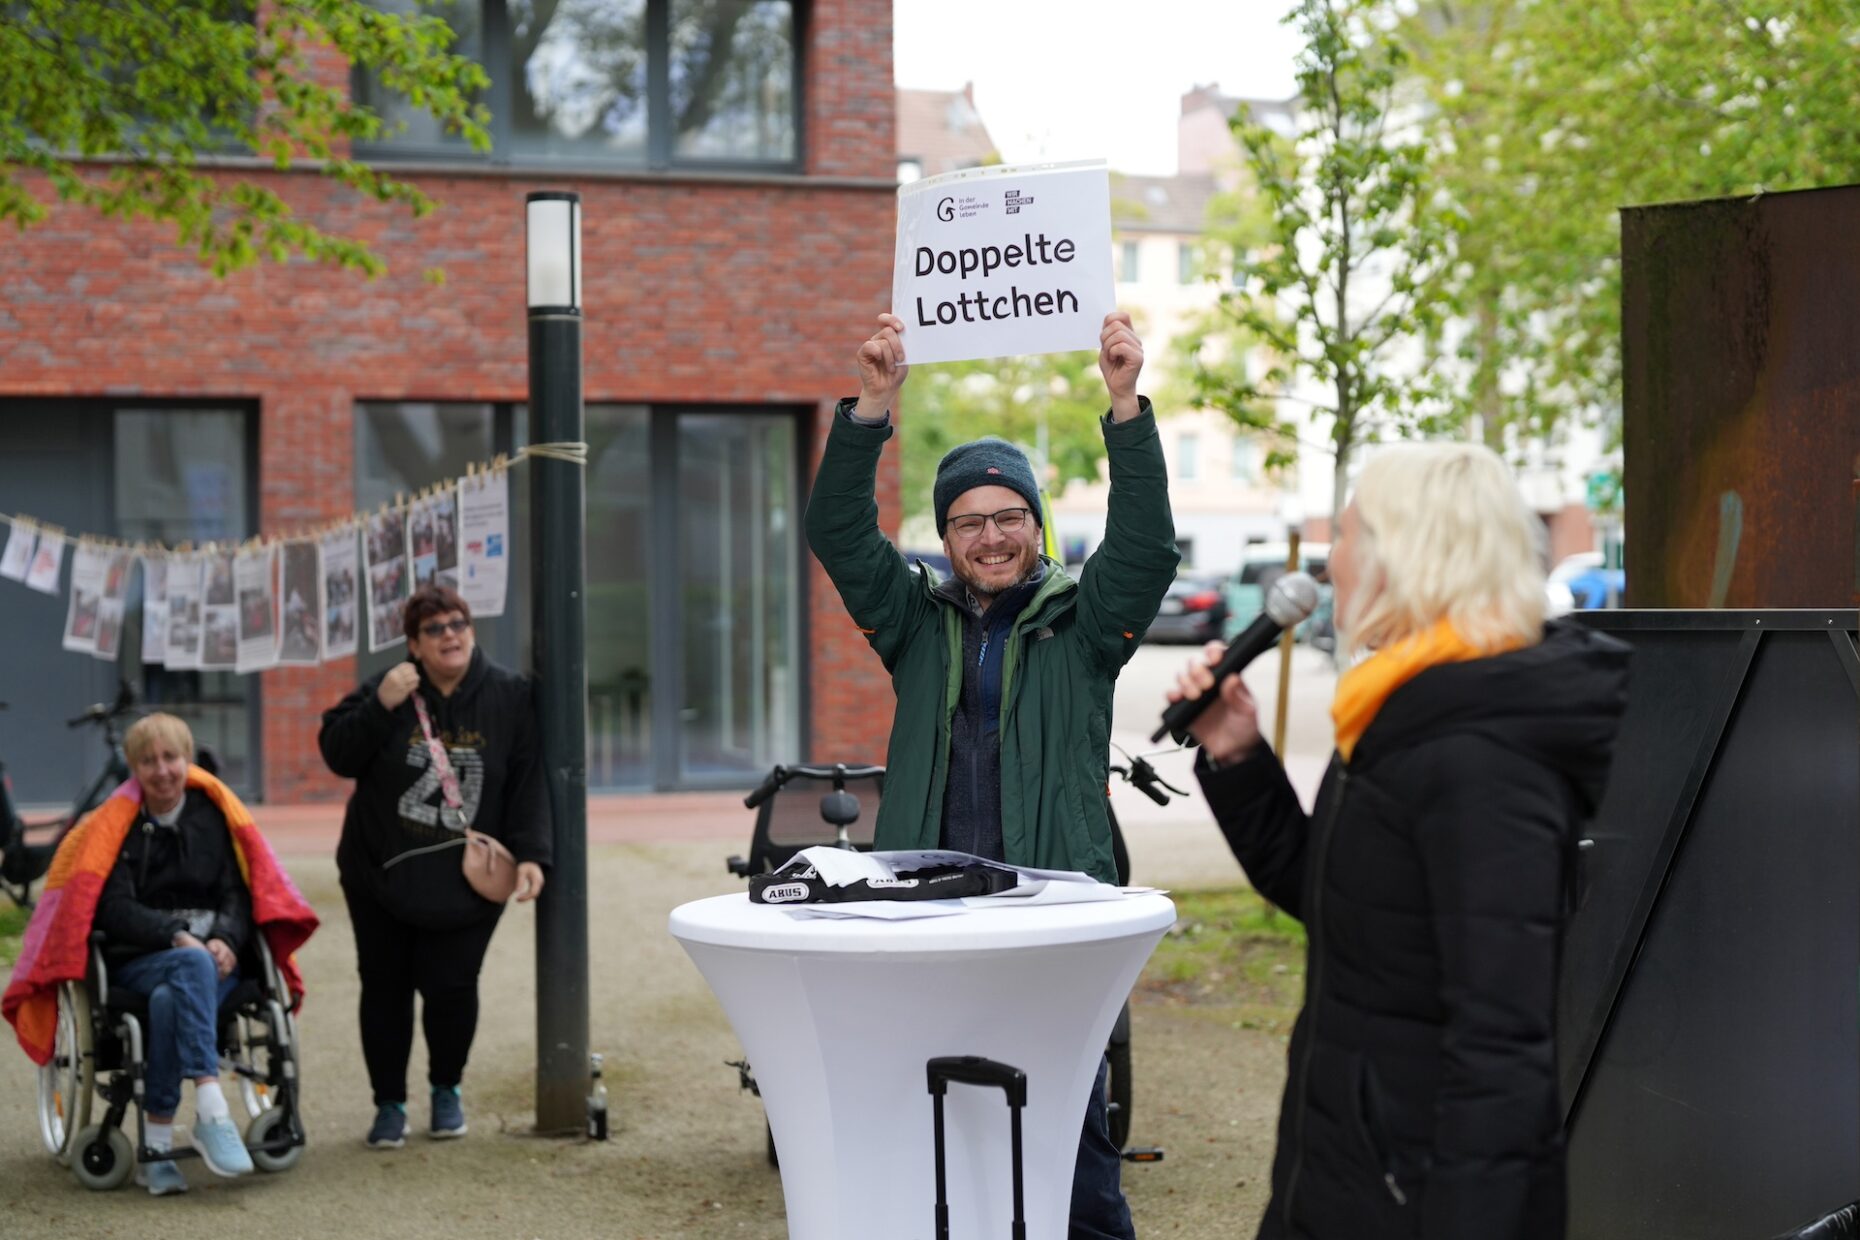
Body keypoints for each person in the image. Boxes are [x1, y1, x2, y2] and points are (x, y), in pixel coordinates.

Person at [1167, 443, 1631, 1240]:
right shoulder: (1402, 708)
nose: (1331, 562)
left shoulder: (1482, 751)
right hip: (1345, 1172)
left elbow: (1500, 1049)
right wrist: (1238, 755)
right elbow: (1344, 902)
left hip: (1410, 1199)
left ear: (1401, 556)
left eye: (1346, 536)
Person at [805, 310, 1179, 1240]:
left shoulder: (1085, 626)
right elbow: (838, 533)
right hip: (930, 914)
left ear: (1036, 524)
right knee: (935, 1124)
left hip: (1052, 916)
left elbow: (1144, 551)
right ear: (947, 538)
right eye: (968, 522)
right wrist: (872, 409)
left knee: (1073, 1148)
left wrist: (1126, 408)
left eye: (1009, 515)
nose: (991, 536)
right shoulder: (914, 623)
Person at [319, 584, 550, 1150]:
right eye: (435, 629)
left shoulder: (510, 694)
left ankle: (446, 1088)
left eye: (458, 624)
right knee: (385, 987)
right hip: (380, 871)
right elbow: (337, 753)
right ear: (414, 645)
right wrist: (381, 706)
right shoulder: (391, 688)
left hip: (468, 879)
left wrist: (534, 855)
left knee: (451, 987)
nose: (450, 635)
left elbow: (527, 778)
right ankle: (389, 1104)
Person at [91, 713, 260, 1195]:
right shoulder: (117, 825)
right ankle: (211, 1106)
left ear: (188, 760)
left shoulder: (215, 816)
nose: (162, 770)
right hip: (142, 956)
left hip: (213, 954)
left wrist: (227, 938)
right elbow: (114, 907)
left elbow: (238, 892)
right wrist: (173, 933)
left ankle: (158, 1147)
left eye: (171, 757)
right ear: (133, 768)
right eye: (148, 761)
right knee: (188, 963)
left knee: (171, 999)